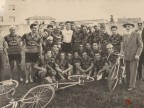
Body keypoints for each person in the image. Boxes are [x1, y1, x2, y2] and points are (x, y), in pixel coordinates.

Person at [123, 22, 143, 90]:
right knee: (127, 71)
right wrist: (123, 53)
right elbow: (124, 46)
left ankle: (131, 85)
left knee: (133, 71)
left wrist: (137, 54)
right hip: (126, 56)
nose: (128, 27)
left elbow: (140, 46)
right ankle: (128, 83)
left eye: (129, 26)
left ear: (132, 27)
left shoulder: (137, 34)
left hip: (134, 56)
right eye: (126, 26)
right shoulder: (124, 35)